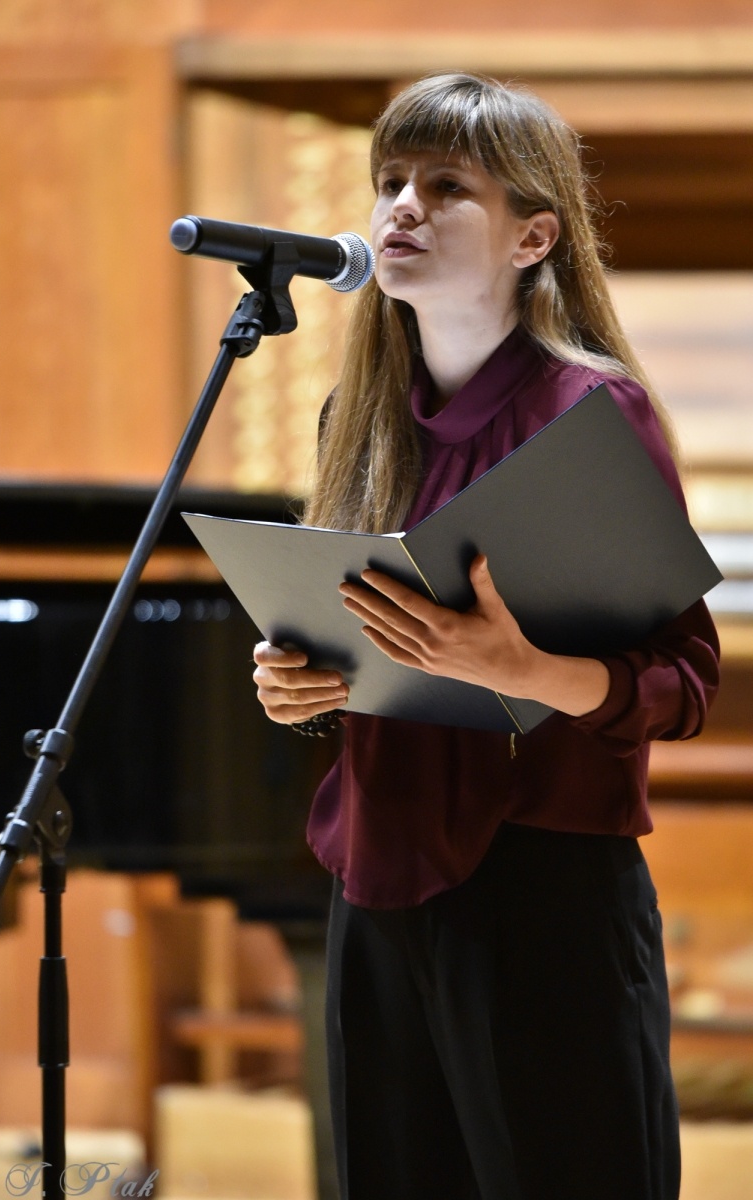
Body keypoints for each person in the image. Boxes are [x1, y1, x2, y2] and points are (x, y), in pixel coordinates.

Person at [252, 73, 720, 1200]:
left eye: (444, 186)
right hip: (375, 880)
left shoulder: (586, 414)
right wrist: (295, 679)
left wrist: (524, 673)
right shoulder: (352, 418)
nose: (400, 207)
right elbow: (354, 635)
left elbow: (682, 681)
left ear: (532, 235)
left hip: (542, 890)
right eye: (390, 183)